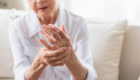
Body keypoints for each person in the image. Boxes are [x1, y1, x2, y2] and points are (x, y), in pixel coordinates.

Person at [9, 0, 97, 80]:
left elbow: (89, 77)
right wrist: (39, 62)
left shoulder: (78, 23)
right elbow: (20, 76)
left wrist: (70, 56)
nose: (40, 1)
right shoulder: (17, 26)